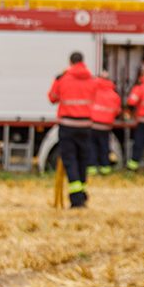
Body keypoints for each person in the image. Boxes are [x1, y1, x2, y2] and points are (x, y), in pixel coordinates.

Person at [48, 51, 96, 208]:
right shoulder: (92, 79)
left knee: (70, 161)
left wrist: (57, 80)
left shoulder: (63, 79)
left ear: (70, 62)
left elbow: (52, 98)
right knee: (83, 161)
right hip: (86, 125)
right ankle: (82, 195)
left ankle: (76, 199)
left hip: (68, 126)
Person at [87, 70, 121, 176]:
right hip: (106, 126)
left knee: (92, 147)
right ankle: (105, 169)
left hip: (93, 124)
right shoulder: (115, 95)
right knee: (104, 147)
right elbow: (117, 111)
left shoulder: (93, 92)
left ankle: (92, 169)